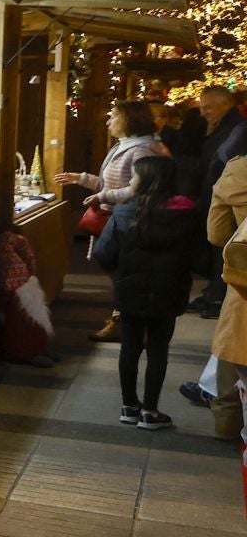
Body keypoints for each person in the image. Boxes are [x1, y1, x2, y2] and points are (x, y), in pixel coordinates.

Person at [90, 156, 199, 429]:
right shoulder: (187, 214)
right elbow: (199, 258)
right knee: (159, 350)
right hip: (169, 291)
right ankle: (150, 412)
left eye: (134, 177)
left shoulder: (124, 211)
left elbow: (103, 253)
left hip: (129, 290)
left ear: (147, 179)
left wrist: (122, 272)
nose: (130, 182)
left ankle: (129, 407)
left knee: (130, 347)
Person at [53, 100, 168, 340]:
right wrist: (81, 179)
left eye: (113, 116)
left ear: (129, 120)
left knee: (123, 274)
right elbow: (114, 181)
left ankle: (127, 324)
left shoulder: (141, 150)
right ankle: (125, 321)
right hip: (116, 219)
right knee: (119, 273)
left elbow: (139, 190)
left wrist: (103, 196)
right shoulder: (124, 146)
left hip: (129, 223)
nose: (108, 121)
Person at [186, 85, 246, 317]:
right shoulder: (225, 127)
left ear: (226, 104)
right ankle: (215, 292)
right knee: (216, 249)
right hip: (217, 197)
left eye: (208, 107)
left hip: (226, 201)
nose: (203, 113)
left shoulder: (237, 129)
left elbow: (226, 164)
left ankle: (219, 296)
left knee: (223, 249)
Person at [204, 155, 247, 434]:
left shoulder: (239, 168)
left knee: (237, 349)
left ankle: (227, 421)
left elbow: (217, 233)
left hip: (244, 285)